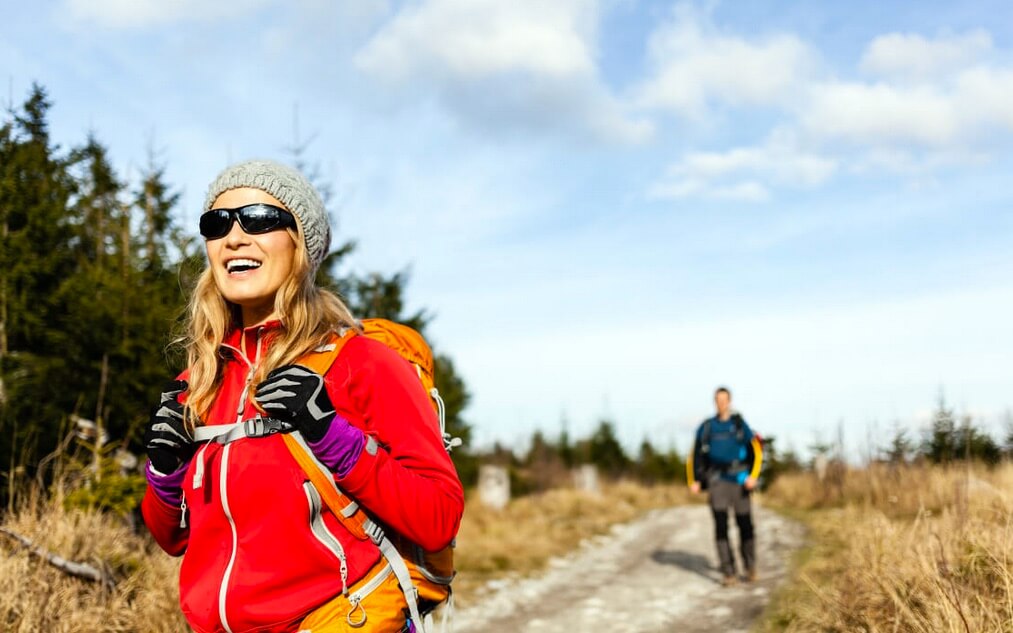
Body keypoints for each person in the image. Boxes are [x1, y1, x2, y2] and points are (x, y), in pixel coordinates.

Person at [140, 159, 465, 632]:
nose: (234, 237)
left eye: (258, 219)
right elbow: (173, 539)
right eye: (217, 223)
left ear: (302, 245)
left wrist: (332, 435)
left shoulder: (362, 363)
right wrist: (165, 475)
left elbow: (439, 517)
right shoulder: (200, 382)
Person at [687, 386, 763, 587]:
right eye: (718, 400)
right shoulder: (707, 427)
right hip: (717, 481)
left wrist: (753, 476)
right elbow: (694, 454)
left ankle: (750, 566)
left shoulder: (739, 425)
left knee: (745, 525)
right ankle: (728, 572)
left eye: (724, 399)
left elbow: (756, 450)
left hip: (740, 481)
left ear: (730, 401)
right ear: (715, 402)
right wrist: (694, 480)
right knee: (721, 527)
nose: (721, 403)